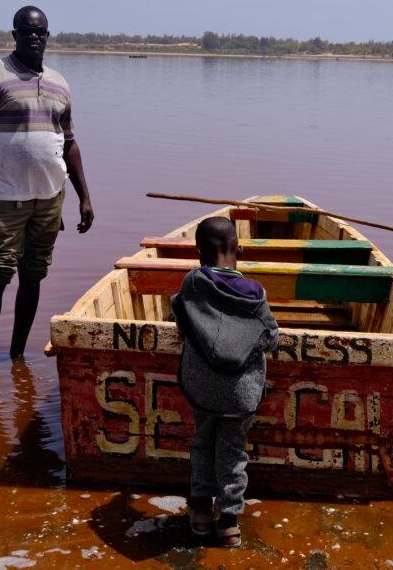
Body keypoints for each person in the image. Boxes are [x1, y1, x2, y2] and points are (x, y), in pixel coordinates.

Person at [0, 5, 93, 381]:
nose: (34, 37)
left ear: (48, 36)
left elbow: (69, 143)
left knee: (33, 276)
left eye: (40, 32)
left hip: (50, 198)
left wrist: (84, 196)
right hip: (3, 198)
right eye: (26, 31)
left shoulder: (59, 83)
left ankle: (17, 356)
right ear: (15, 34)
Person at [170, 216, 279, 547]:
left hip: (201, 388)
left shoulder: (192, 284)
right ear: (240, 250)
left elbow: (182, 323)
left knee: (203, 443)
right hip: (241, 394)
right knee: (233, 451)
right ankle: (229, 523)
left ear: (199, 252)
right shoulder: (255, 294)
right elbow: (271, 338)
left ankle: (201, 514)